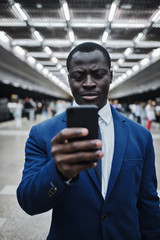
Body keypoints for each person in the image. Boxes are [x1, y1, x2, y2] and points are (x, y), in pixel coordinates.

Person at [17, 42, 160, 240]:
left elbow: (149, 203)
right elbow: (29, 202)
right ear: (69, 79)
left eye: (98, 74)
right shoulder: (42, 134)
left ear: (110, 76)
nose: (89, 83)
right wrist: (58, 172)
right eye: (78, 76)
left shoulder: (140, 136)